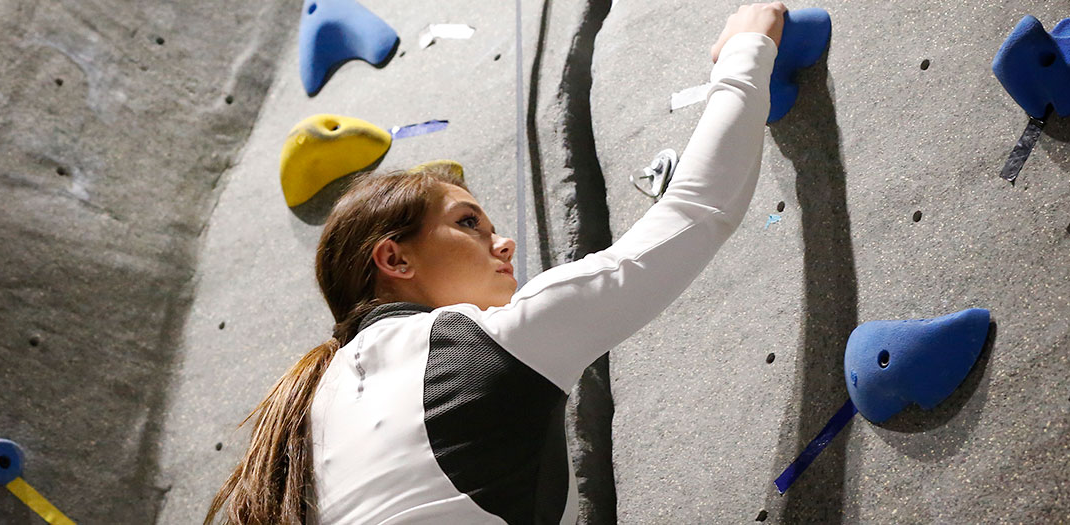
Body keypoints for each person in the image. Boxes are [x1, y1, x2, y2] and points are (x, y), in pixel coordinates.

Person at [208, 3, 788, 523]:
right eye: (468, 224)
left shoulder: (307, 419)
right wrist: (747, 49)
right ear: (394, 258)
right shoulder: (480, 345)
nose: (505, 244)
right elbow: (695, 210)